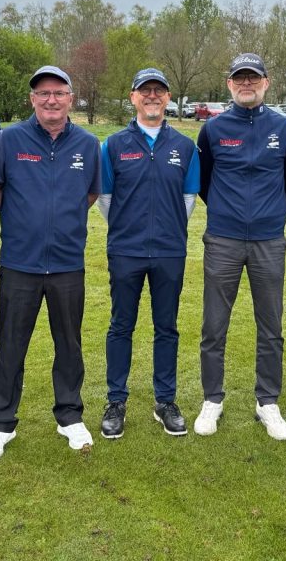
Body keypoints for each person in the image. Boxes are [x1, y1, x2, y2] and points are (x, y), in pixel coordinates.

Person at [0, 65, 101, 461]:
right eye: (43, 93)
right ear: (32, 99)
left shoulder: (87, 144)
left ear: (70, 99)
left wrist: (60, 222)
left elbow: (90, 194)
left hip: (67, 263)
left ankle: (69, 416)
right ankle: (1, 422)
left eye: (59, 93)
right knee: (11, 345)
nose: (51, 100)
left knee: (69, 344)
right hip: (20, 263)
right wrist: (23, 221)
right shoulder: (10, 139)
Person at [194, 53, 286, 441]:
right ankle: (212, 399)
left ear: (265, 82)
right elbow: (204, 181)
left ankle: (267, 401)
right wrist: (228, 211)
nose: (246, 84)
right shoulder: (213, 129)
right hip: (223, 239)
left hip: (269, 240)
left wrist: (268, 215)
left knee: (271, 325)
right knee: (214, 325)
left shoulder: (285, 128)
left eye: (253, 78)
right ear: (229, 84)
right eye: (239, 78)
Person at [96, 68, 200, 439]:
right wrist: (129, 227)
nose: (152, 96)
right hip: (126, 250)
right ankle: (115, 401)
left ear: (168, 97)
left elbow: (188, 198)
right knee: (121, 325)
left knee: (166, 326)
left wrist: (167, 228)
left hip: (170, 251)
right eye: (145, 90)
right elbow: (105, 198)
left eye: (159, 90)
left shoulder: (186, 147)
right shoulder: (112, 145)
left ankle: (165, 401)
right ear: (133, 97)